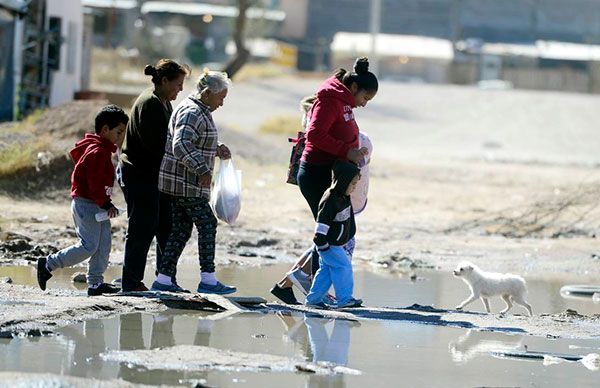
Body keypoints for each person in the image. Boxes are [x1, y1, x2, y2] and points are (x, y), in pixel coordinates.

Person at [271, 57, 378, 304]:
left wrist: (354, 153)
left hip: (330, 174)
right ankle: (318, 295)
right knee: (330, 235)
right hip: (317, 174)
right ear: (354, 88)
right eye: (365, 98)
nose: (364, 104)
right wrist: (347, 152)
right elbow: (315, 134)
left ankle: (305, 289)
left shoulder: (344, 101)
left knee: (333, 235)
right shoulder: (330, 99)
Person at [149, 69, 236, 294]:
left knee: (181, 230)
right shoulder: (192, 111)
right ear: (207, 93)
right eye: (221, 98)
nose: (222, 103)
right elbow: (181, 144)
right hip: (184, 182)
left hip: (182, 182)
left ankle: (164, 280)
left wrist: (216, 149)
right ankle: (208, 280)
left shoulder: (200, 109)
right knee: (207, 223)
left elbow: (195, 140)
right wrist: (202, 169)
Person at [36, 105, 128, 296]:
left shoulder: (103, 150)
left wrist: (104, 203)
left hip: (98, 205)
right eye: (118, 132)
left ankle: (95, 284)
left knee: (103, 245)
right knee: (89, 246)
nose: (120, 137)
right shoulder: (97, 152)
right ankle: (48, 263)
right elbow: (94, 183)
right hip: (88, 205)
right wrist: (106, 204)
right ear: (104, 130)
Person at [118, 59, 190, 292]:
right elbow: (159, 146)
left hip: (155, 177)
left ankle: (165, 279)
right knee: (142, 228)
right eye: (177, 84)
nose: (180, 89)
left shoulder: (162, 101)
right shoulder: (150, 104)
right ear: (164, 80)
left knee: (166, 228)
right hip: (141, 175)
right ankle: (131, 282)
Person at [305, 160, 362, 309]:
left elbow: (349, 221)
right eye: (353, 184)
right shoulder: (330, 200)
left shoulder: (344, 197)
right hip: (328, 245)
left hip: (336, 244)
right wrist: (322, 244)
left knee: (326, 273)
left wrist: (348, 237)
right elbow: (321, 225)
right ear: (343, 181)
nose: (354, 187)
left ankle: (313, 300)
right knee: (343, 267)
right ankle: (344, 300)